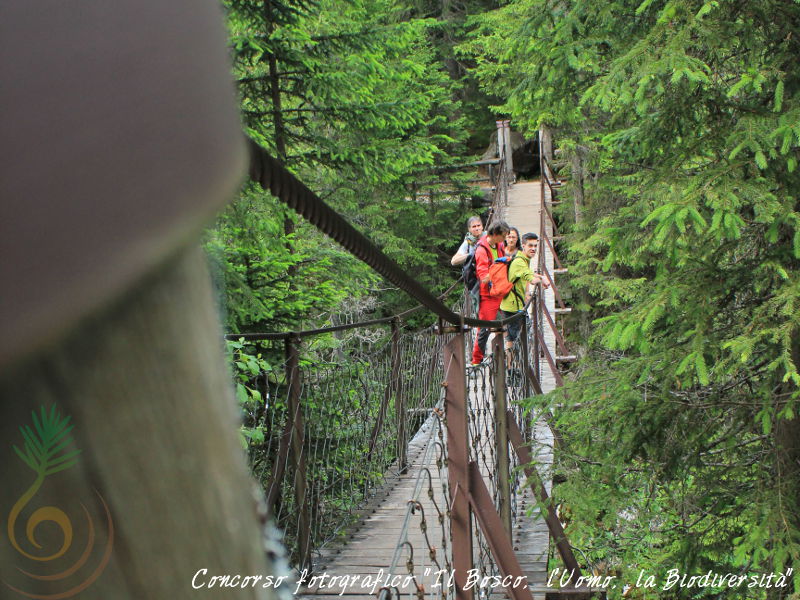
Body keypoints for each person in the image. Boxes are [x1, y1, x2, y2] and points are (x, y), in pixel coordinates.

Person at [497, 232, 549, 363]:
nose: (533, 249)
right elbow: (530, 277)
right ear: (523, 246)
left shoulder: (522, 259)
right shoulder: (520, 262)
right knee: (512, 338)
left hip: (515, 304)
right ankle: (510, 369)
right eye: (530, 245)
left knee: (521, 333)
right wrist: (540, 280)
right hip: (512, 306)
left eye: (535, 246)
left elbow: (529, 273)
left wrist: (542, 277)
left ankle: (518, 364)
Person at [471, 220, 510, 365]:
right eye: (503, 236)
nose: (505, 239)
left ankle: (509, 354)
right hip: (488, 295)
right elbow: (484, 278)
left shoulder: (499, 245)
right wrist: (497, 267)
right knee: (484, 328)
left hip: (500, 290)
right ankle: (476, 361)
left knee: (515, 316)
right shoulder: (481, 251)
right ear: (494, 234)